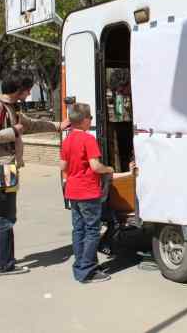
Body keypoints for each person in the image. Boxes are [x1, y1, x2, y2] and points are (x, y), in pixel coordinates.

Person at [0, 70, 70, 276]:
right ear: (18, 89)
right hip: (1, 167)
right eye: (27, 89)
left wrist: (58, 126)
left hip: (4, 166)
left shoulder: (11, 107)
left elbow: (32, 125)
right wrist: (14, 131)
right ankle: (3, 265)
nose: (29, 93)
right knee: (5, 217)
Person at [60, 103, 114, 283]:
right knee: (92, 231)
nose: (91, 120)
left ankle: (80, 265)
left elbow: (63, 166)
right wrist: (109, 169)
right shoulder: (88, 139)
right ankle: (87, 270)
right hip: (88, 191)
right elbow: (95, 166)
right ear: (84, 120)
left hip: (72, 191)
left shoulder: (67, 140)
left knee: (78, 230)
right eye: (90, 117)